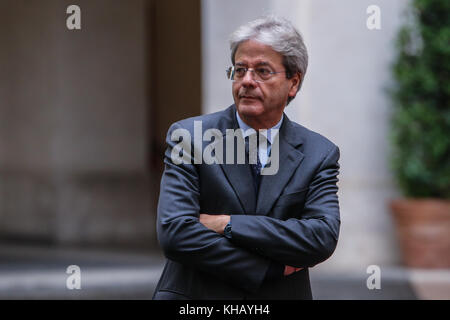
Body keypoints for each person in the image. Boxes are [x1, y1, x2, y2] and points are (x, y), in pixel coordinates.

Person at [152, 15, 340, 300]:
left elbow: (320, 237)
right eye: (240, 70)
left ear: (293, 82)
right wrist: (267, 269)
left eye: (262, 71)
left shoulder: (319, 153)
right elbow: (176, 233)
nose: (247, 81)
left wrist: (226, 223)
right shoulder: (189, 137)